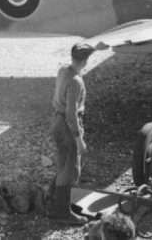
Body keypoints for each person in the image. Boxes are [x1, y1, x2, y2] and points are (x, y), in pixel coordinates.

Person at [47, 43, 97, 225]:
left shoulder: (63, 70)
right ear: (85, 60)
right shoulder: (76, 81)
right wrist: (79, 139)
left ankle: (53, 206)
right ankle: (64, 212)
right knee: (70, 169)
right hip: (67, 125)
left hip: (56, 121)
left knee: (62, 163)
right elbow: (71, 114)